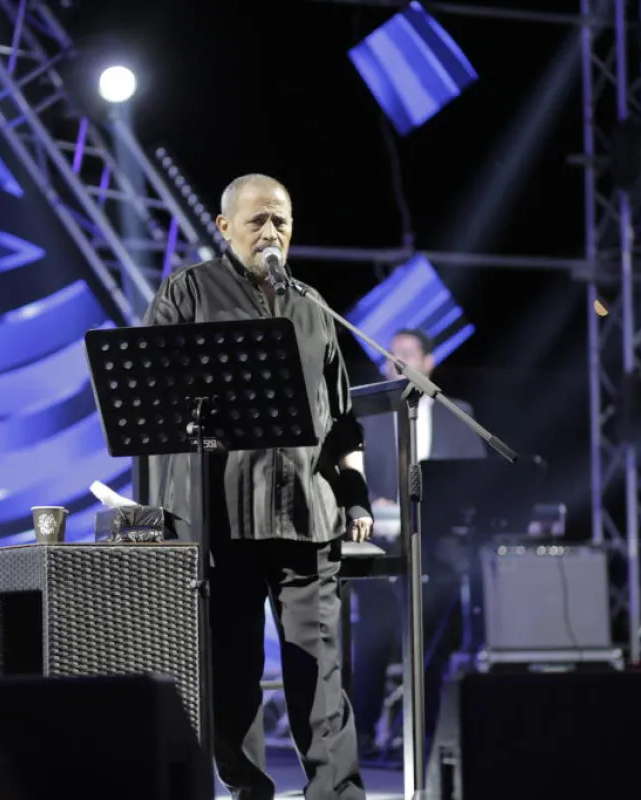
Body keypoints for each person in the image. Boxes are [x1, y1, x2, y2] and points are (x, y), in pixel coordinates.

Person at [143, 174, 372, 800]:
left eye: (281, 222)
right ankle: (248, 790)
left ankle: (337, 794)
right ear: (224, 227)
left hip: (306, 513)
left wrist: (355, 494)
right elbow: (150, 391)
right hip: (220, 516)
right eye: (257, 221)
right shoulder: (189, 291)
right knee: (232, 672)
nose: (271, 232)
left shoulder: (314, 306)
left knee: (319, 668)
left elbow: (342, 421)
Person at [351, 328, 486, 759]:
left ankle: (423, 732)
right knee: (373, 636)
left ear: (428, 362)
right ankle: (364, 732)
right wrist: (368, 500)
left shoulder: (457, 413)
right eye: (392, 355)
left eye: (408, 354)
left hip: (437, 546)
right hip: (382, 543)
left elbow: (472, 482)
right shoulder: (367, 416)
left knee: (434, 639)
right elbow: (348, 475)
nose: (398, 362)